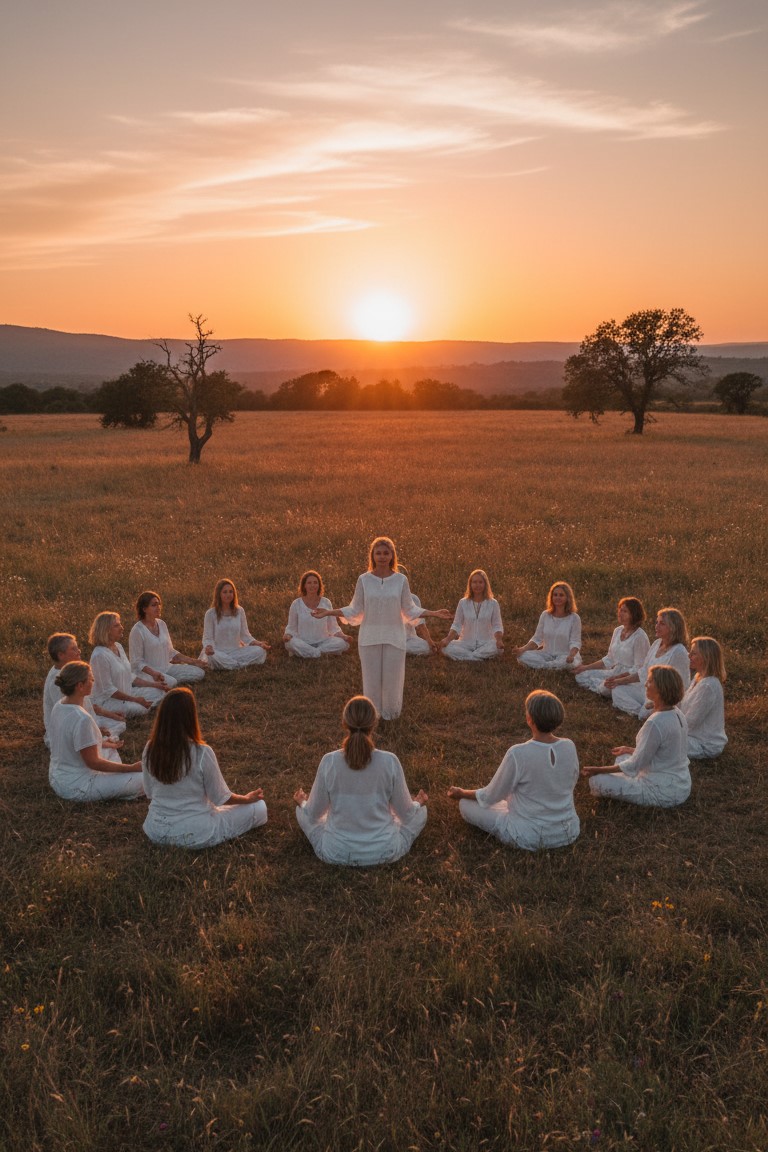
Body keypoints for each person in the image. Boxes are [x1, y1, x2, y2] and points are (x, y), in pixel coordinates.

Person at [312, 537, 451, 719]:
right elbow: (355, 609)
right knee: (371, 680)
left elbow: (409, 609)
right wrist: (328, 612)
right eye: (378, 553)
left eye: (386, 553)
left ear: (392, 555)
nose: (382, 557)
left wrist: (433, 613)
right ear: (373, 556)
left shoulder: (401, 580)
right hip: (369, 637)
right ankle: (373, 715)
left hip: (394, 637)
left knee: (392, 679)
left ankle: (391, 715)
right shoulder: (364, 580)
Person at [293, 695, 428, 866]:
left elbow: (313, 814)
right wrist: (417, 803)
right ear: (373, 724)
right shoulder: (390, 761)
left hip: (336, 852)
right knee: (421, 813)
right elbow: (407, 815)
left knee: (301, 812)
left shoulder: (329, 761)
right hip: (384, 850)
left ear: (344, 723)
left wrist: (303, 803)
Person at [446, 690, 579, 849]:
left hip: (527, 835)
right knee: (510, 797)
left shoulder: (518, 753)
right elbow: (571, 782)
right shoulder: (569, 746)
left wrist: (462, 793)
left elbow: (490, 796)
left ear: (530, 719)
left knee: (465, 804)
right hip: (568, 831)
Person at [142, 688, 267, 848]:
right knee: (259, 807)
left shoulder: (149, 748)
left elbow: (149, 791)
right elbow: (221, 798)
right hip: (195, 833)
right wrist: (247, 799)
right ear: (190, 717)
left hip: (156, 830)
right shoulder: (202, 752)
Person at [582, 665, 690, 807]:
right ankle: (623, 776)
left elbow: (634, 764)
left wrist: (597, 770)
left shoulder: (655, 722)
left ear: (661, 688)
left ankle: (622, 779)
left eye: (650, 681)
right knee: (622, 756)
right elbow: (666, 752)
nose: (645, 684)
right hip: (681, 784)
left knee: (596, 781)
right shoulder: (677, 713)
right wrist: (629, 749)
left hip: (662, 790)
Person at [48, 661, 144, 801]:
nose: (94, 681)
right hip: (77, 785)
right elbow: (93, 763)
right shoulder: (82, 719)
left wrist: (105, 744)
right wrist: (131, 768)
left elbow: (71, 742)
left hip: (57, 776)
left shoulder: (59, 705)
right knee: (144, 779)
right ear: (80, 686)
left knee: (109, 747)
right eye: (91, 678)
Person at [44, 632, 126, 754]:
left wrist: (109, 714)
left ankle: (99, 737)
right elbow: (68, 718)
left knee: (118, 723)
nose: (79, 651)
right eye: (74, 649)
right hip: (67, 730)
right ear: (61, 655)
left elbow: (86, 704)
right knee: (104, 749)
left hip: (83, 719)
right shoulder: (58, 682)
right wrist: (94, 729)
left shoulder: (70, 671)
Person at [608, 607, 690, 718]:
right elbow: (643, 672)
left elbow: (682, 686)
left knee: (645, 711)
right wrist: (619, 681)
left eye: (662, 624)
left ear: (673, 627)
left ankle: (646, 713)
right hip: (647, 689)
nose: (656, 626)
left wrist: (660, 702)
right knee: (617, 689)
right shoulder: (657, 643)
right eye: (657, 622)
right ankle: (640, 712)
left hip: (663, 697)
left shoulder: (679, 652)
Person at [89, 611, 168, 716]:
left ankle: (146, 704)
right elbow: (108, 691)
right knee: (141, 708)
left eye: (120, 624)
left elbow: (130, 676)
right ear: (106, 630)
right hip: (108, 702)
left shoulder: (118, 646)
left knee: (159, 692)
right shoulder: (99, 656)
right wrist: (135, 700)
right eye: (116, 626)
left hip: (128, 693)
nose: (122, 627)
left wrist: (154, 684)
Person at [571, 598, 650, 696]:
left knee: (606, 687)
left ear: (634, 614)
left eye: (625, 611)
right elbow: (609, 659)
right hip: (614, 671)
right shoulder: (617, 631)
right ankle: (604, 688)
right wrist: (585, 667)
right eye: (620, 610)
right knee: (581, 675)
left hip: (630, 678)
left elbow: (639, 668)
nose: (620, 613)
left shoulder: (640, 637)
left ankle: (611, 689)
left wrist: (619, 679)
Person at [129, 591, 206, 689]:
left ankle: (169, 679)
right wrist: (153, 673)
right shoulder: (137, 631)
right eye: (154, 605)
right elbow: (137, 662)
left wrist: (194, 661)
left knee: (199, 673)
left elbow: (171, 652)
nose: (158, 607)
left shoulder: (161, 624)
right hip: (148, 672)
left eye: (159, 604)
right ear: (144, 609)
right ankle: (149, 682)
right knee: (171, 682)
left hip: (167, 667)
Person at [201, 578, 270, 669]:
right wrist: (208, 647)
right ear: (219, 594)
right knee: (212, 657)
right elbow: (207, 638)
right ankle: (238, 664)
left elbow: (245, 635)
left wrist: (259, 643)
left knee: (260, 651)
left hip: (237, 651)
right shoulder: (210, 614)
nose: (228, 595)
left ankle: (230, 664)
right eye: (225, 592)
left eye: (230, 592)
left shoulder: (240, 611)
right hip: (218, 652)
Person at [283, 571, 350, 658]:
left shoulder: (326, 602)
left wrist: (343, 636)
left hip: (324, 641)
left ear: (319, 585)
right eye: (309, 583)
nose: (312, 585)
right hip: (303, 642)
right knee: (291, 643)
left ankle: (311, 653)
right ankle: (318, 653)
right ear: (304, 586)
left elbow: (333, 626)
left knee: (341, 643)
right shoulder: (296, 604)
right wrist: (287, 635)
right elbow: (292, 627)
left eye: (315, 582)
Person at [515, 582, 582, 669]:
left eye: (561, 595)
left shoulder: (574, 618)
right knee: (523, 656)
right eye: (555, 595)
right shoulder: (545, 615)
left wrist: (571, 655)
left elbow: (575, 642)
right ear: (551, 597)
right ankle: (550, 666)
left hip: (565, 655)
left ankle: (545, 666)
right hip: (546, 653)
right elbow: (537, 639)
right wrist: (522, 649)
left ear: (567, 598)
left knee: (567, 662)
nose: (557, 597)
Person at [440, 569, 504, 661]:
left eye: (480, 582)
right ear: (470, 584)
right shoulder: (463, 602)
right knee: (445, 647)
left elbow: (497, 625)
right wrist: (448, 639)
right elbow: (456, 625)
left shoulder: (493, 603)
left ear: (485, 584)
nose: (477, 585)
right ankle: (477, 657)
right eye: (474, 582)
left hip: (486, 643)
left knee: (498, 648)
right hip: (466, 643)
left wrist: (499, 640)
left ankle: (468, 657)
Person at [681, 637, 727, 759]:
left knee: (663, 741)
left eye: (694, 653)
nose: (689, 655)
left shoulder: (708, 686)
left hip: (704, 743)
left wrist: (668, 726)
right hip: (691, 736)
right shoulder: (698, 677)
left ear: (706, 657)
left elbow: (690, 722)